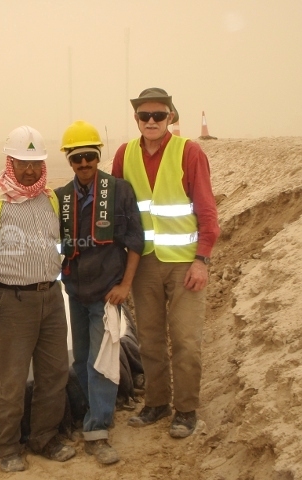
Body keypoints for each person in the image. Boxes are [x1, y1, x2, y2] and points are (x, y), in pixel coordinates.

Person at [111, 88, 220, 438]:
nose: (152, 121)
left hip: (185, 264)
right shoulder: (124, 154)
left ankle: (186, 410)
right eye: (145, 116)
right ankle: (157, 404)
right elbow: (110, 204)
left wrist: (202, 260)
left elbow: (206, 210)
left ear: (171, 116)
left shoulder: (189, 152)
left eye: (159, 115)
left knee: (186, 339)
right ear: (136, 120)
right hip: (142, 263)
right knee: (151, 340)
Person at [0, 125, 76, 472]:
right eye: (22, 162)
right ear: (9, 162)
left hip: (52, 299)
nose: (30, 170)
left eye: (36, 163)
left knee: (54, 374)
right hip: (11, 304)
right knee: (12, 381)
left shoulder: (51, 200)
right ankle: (7, 447)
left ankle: (44, 438)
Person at [57, 120, 144, 465]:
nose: (84, 164)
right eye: (77, 158)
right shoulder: (61, 198)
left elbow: (136, 241)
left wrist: (125, 286)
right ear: (69, 160)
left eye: (90, 157)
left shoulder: (120, 191)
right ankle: (90, 414)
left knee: (102, 362)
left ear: (98, 156)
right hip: (76, 293)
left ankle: (99, 430)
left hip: (108, 294)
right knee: (80, 360)